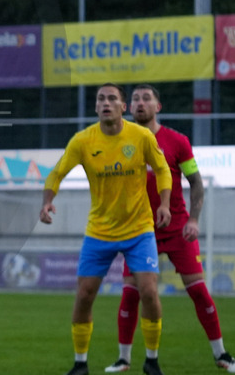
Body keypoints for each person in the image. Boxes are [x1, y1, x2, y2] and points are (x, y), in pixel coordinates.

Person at [103, 85, 235, 374]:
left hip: (178, 228)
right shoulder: (119, 141)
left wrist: (193, 220)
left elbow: (196, 182)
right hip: (140, 231)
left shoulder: (177, 141)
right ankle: (124, 359)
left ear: (159, 107)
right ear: (129, 108)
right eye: (135, 99)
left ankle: (222, 354)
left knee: (199, 292)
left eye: (146, 99)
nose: (140, 103)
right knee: (131, 294)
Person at [40, 83, 173, 375]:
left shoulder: (141, 136)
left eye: (112, 98)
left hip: (139, 229)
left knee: (149, 291)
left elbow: (162, 170)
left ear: (123, 107)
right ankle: (80, 364)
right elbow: (57, 172)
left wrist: (164, 204)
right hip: (99, 231)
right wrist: (47, 201)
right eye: (101, 99)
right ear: (96, 107)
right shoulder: (83, 140)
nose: (106, 103)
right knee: (84, 295)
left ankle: (151, 360)